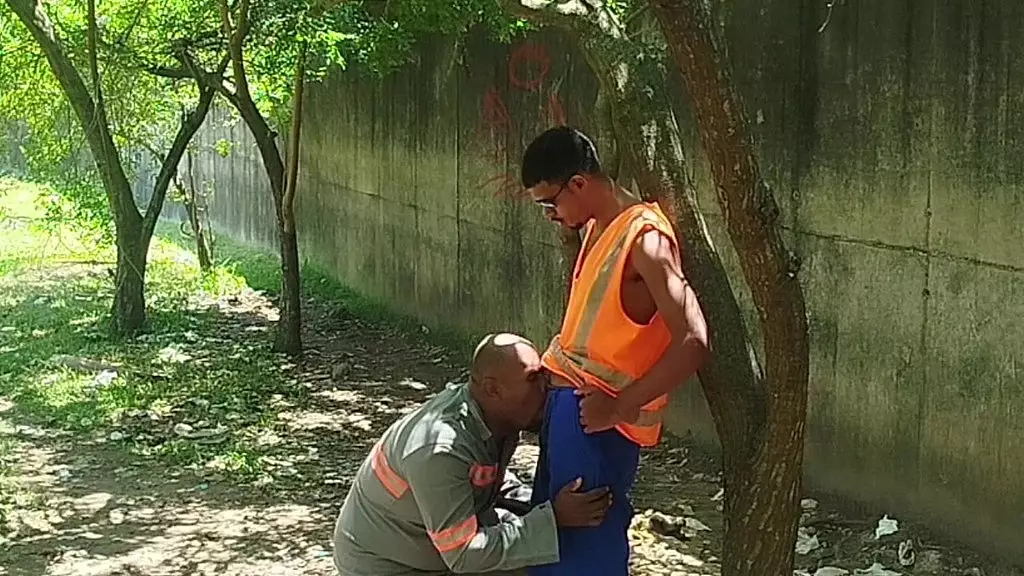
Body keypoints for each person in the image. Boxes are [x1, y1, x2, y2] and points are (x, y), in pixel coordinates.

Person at [519, 126, 711, 575]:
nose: (550, 214)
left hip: (597, 423)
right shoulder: (598, 227)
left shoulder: (645, 238)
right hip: (572, 414)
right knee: (551, 550)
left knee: (584, 558)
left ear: (580, 183)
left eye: (551, 202)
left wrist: (620, 406)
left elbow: (695, 339)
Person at [331, 332, 614, 576]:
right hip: (387, 567)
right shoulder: (439, 449)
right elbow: (464, 552)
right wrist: (553, 518)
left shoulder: (495, 418)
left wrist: (535, 503)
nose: (546, 388)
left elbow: (482, 478)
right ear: (493, 389)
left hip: (429, 552)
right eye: (533, 379)